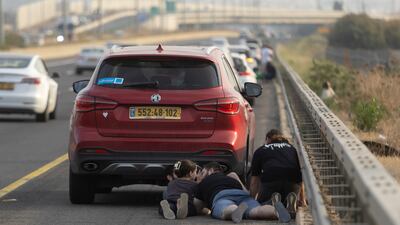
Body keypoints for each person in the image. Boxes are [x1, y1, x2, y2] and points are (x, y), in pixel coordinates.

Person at [196, 162, 291, 223]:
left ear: (210, 170)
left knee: (226, 210)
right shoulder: (229, 177)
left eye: (201, 172)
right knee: (257, 210)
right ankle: (275, 211)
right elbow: (247, 192)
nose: (199, 175)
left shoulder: (203, 183)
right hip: (242, 195)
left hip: (222, 196)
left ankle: (235, 210)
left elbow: (198, 205)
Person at [249, 129, 306, 218]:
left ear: (267, 139)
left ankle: (272, 202)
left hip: (271, 180)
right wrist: (302, 200)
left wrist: (252, 200)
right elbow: (300, 174)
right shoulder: (292, 149)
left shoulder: (261, 150)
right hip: (293, 182)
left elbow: (254, 180)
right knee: (288, 196)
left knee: (262, 204)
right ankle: (289, 204)